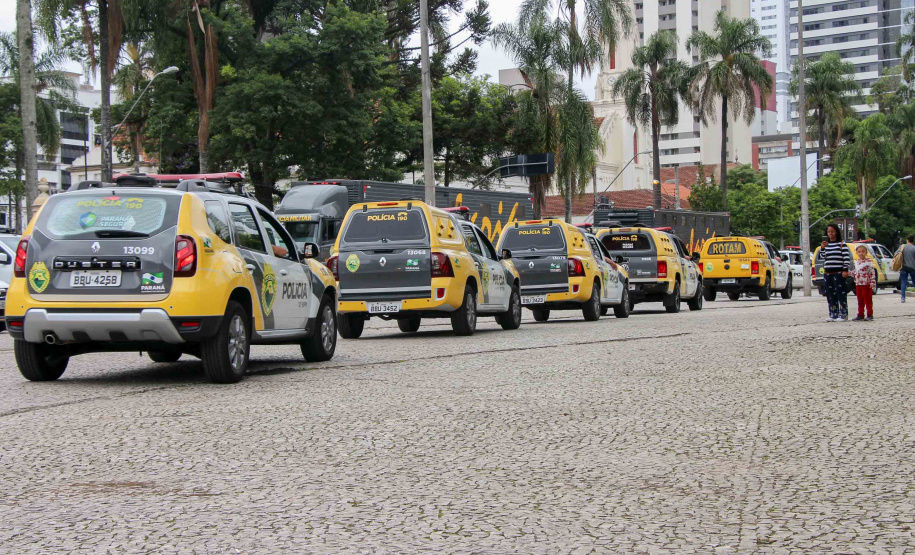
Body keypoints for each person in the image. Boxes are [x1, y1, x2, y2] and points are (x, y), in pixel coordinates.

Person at [820, 223, 851, 322]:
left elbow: (846, 258)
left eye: (832, 232)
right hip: (828, 273)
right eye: (828, 232)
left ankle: (843, 314)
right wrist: (822, 248)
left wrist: (845, 270)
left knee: (840, 293)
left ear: (836, 232)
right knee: (830, 294)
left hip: (839, 273)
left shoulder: (842, 244)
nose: (830, 234)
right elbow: (822, 257)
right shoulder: (826, 245)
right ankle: (833, 313)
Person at [852, 245, 876, 321]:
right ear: (856, 253)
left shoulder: (868, 262)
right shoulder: (857, 262)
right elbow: (855, 271)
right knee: (860, 300)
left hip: (866, 284)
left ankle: (870, 314)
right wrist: (849, 273)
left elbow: (872, 272)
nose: (861, 253)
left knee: (868, 300)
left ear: (866, 252)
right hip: (858, 284)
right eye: (859, 252)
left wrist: (872, 281)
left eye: (863, 251)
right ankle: (860, 314)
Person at [898, 235, 915, 303]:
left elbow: (896, 254)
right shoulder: (914, 248)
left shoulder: (902, 247)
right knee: (914, 282)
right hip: (913, 267)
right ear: (913, 241)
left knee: (904, 282)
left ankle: (903, 298)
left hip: (904, 267)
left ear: (907, 240)